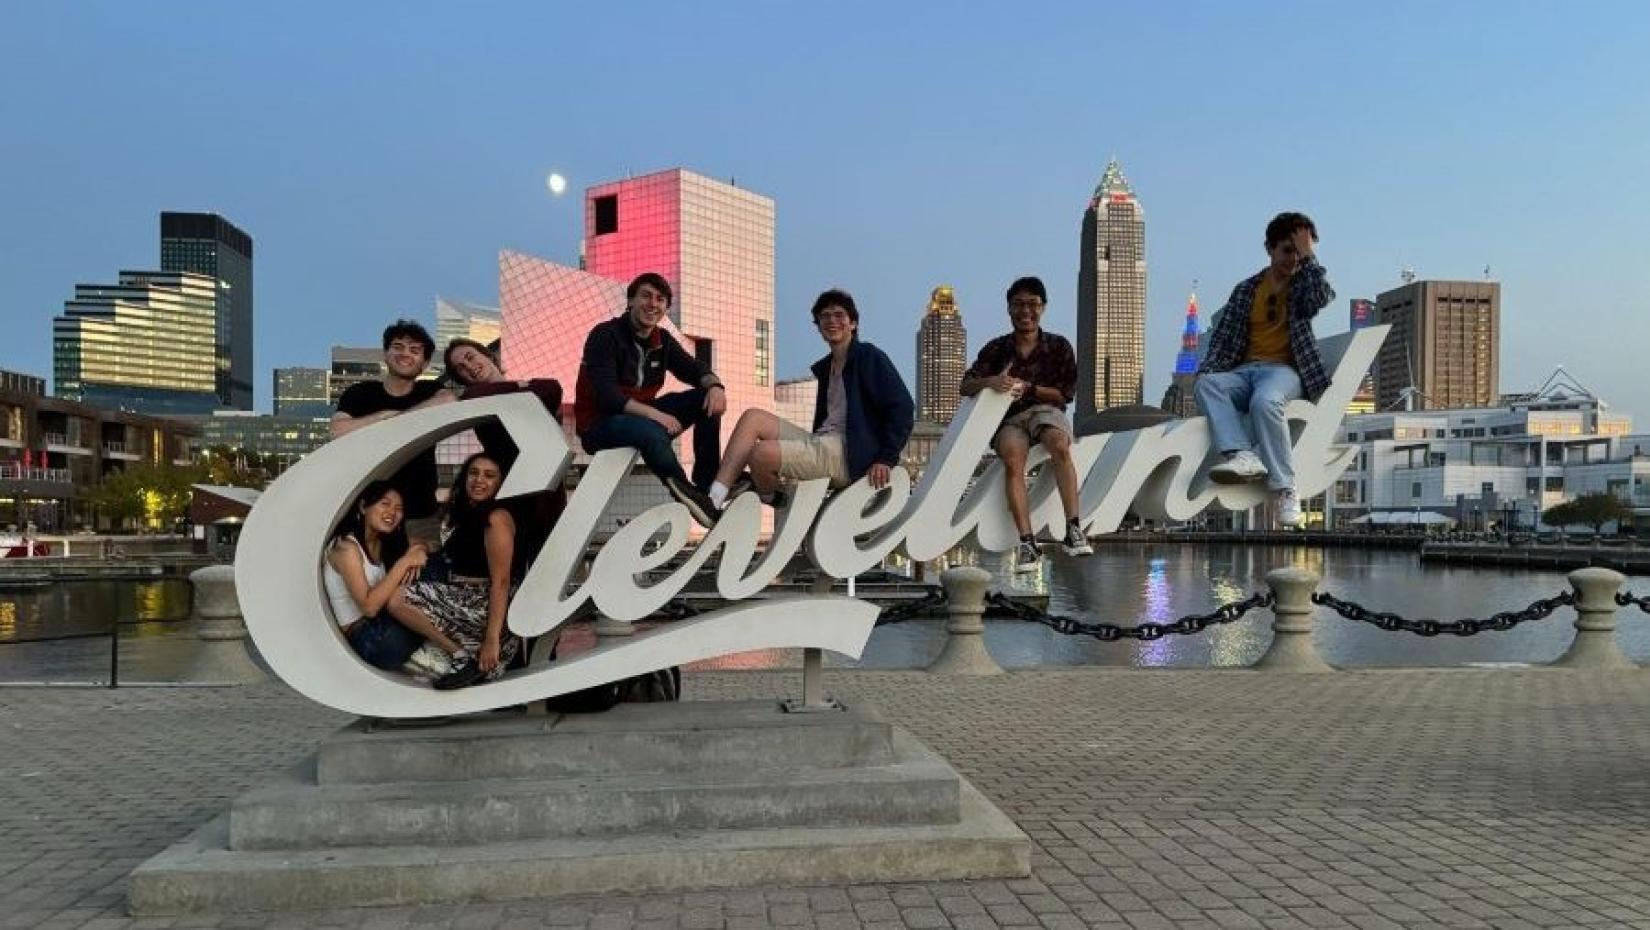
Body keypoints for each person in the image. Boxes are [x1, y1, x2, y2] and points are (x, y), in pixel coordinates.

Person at [707, 289, 913, 509]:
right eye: (824, 316)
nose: (831, 321)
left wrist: (885, 459)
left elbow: (903, 408)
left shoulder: (867, 356)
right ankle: (714, 497)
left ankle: (772, 495)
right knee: (753, 417)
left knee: (760, 453)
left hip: (847, 454)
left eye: (839, 315)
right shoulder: (828, 368)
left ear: (852, 323)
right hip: (821, 442)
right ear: (818, 326)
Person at [1196, 212, 1336, 528]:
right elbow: (1223, 338)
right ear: (1270, 249)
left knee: (1266, 401)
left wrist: (1309, 255)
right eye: (1288, 250)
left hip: (1283, 372)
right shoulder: (1247, 290)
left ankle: (1285, 488)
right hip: (1245, 371)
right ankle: (1242, 455)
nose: (1293, 258)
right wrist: (1208, 370)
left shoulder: (1303, 285)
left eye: (1299, 251)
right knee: (1207, 384)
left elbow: (1320, 297)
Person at [958, 276, 1094, 573]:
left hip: (1045, 409)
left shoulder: (1058, 346)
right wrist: (992, 381)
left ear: (1042, 308)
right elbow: (965, 386)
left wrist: (1028, 388)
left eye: (1032, 304)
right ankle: (1027, 544)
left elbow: (1065, 394)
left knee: (1059, 444)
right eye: (1018, 304)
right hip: (1008, 419)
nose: (1025, 311)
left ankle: (1073, 528)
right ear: (1009, 309)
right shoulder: (996, 349)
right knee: (1012, 460)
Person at [573, 273, 727, 528]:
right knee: (649, 431)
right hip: (600, 425)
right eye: (645, 295)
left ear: (666, 307)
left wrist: (716, 386)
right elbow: (608, 396)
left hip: (639, 417)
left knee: (706, 400)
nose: (652, 303)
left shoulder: (662, 340)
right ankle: (686, 491)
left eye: (660, 299)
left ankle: (706, 484)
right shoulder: (605, 335)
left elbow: (693, 369)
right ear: (630, 300)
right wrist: (656, 415)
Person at [442, 337, 568, 580]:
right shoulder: (476, 397)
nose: (468, 366)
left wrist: (519, 388)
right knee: (513, 573)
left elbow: (551, 389)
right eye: (460, 368)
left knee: (548, 575)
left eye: (470, 357)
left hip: (548, 497)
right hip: (512, 500)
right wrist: (522, 387)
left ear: (488, 356)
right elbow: (472, 396)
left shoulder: (506, 392)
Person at [401, 453, 524, 689]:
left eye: (489, 476)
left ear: (501, 483)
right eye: (474, 473)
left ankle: (460, 656)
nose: (479, 480)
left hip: (482, 603)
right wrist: (422, 547)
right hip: (463, 595)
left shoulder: (496, 518)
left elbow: (501, 581)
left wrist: (492, 640)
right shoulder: (467, 510)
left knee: (396, 599)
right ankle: (460, 656)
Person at [331, 320, 454, 546]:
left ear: (424, 363)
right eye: (398, 346)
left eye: (415, 350)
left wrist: (395, 419)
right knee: (367, 576)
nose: (405, 353)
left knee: (422, 577)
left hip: (420, 514)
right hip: (369, 509)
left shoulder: (429, 391)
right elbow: (338, 431)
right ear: (386, 354)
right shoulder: (361, 393)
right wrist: (379, 417)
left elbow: (448, 400)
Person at [323, 480, 464, 671]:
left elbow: (427, 545)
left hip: (387, 623)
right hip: (372, 641)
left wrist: (418, 550)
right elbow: (369, 607)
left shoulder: (384, 541)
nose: (392, 512)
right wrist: (405, 562)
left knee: (437, 561)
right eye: (385, 504)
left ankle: (430, 645)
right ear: (364, 507)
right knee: (431, 568)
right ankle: (445, 646)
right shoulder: (346, 549)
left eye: (399, 508)